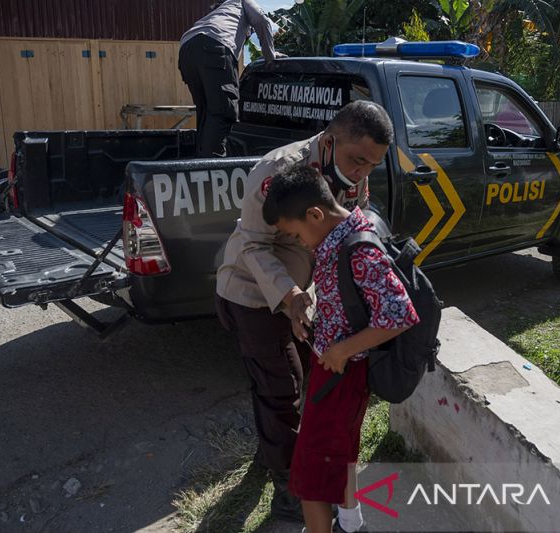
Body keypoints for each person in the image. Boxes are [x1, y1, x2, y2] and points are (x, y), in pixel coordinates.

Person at [214, 100, 394, 521]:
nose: (361, 174)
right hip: (253, 294)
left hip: (303, 295)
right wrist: (291, 295)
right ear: (330, 143)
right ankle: (291, 487)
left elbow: (348, 224)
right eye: (357, 161)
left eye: (372, 166)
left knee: (289, 383)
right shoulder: (277, 170)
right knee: (282, 387)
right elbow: (253, 245)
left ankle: (275, 455)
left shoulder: (351, 174)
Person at [262, 164, 419, 533]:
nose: (299, 243)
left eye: (296, 234)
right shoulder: (338, 237)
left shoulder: (357, 250)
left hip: (340, 377)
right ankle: (351, 521)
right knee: (338, 453)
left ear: (315, 215)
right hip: (336, 370)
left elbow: (399, 314)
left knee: (309, 477)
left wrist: (342, 350)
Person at [178, 0, 281, 157]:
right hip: (213, 47)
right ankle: (212, 166)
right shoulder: (241, 1)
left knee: (206, 112)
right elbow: (261, 20)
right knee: (223, 111)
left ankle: (199, 163)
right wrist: (270, 57)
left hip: (186, 50)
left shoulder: (216, 15)